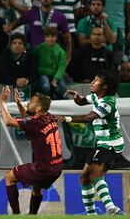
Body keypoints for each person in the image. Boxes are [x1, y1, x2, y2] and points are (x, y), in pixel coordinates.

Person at [56, 70, 123, 215]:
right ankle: (91, 215)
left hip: (111, 143)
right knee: (85, 178)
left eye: (97, 80)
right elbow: (82, 102)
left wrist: (68, 118)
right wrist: (77, 97)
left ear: (104, 86)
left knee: (94, 175)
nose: (93, 82)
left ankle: (111, 208)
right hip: (100, 143)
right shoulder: (96, 96)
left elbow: (88, 118)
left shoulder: (108, 102)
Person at [0, 86, 63, 215]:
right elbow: (29, 118)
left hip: (44, 168)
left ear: (38, 108)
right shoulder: (48, 117)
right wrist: (18, 103)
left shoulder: (36, 123)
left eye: (32, 101)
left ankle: (16, 215)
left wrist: (2, 101)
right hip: (57, 167)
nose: (28, 102)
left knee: (9, 177)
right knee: (36, 188)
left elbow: (8, 121)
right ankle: (32, 215)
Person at [32, 27, 67, 99]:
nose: (50, 38)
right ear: (44, 38)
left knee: (63, 88)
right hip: (43, 73)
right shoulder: (39, 48)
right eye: (48, 36)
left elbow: (61, 67)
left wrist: (56, 79)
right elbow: (31, 55)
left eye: (53, 36)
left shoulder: (61, 51)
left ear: (56, 37)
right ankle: (45, 99)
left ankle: (58, 98)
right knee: (46, 86)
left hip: (56, 74)